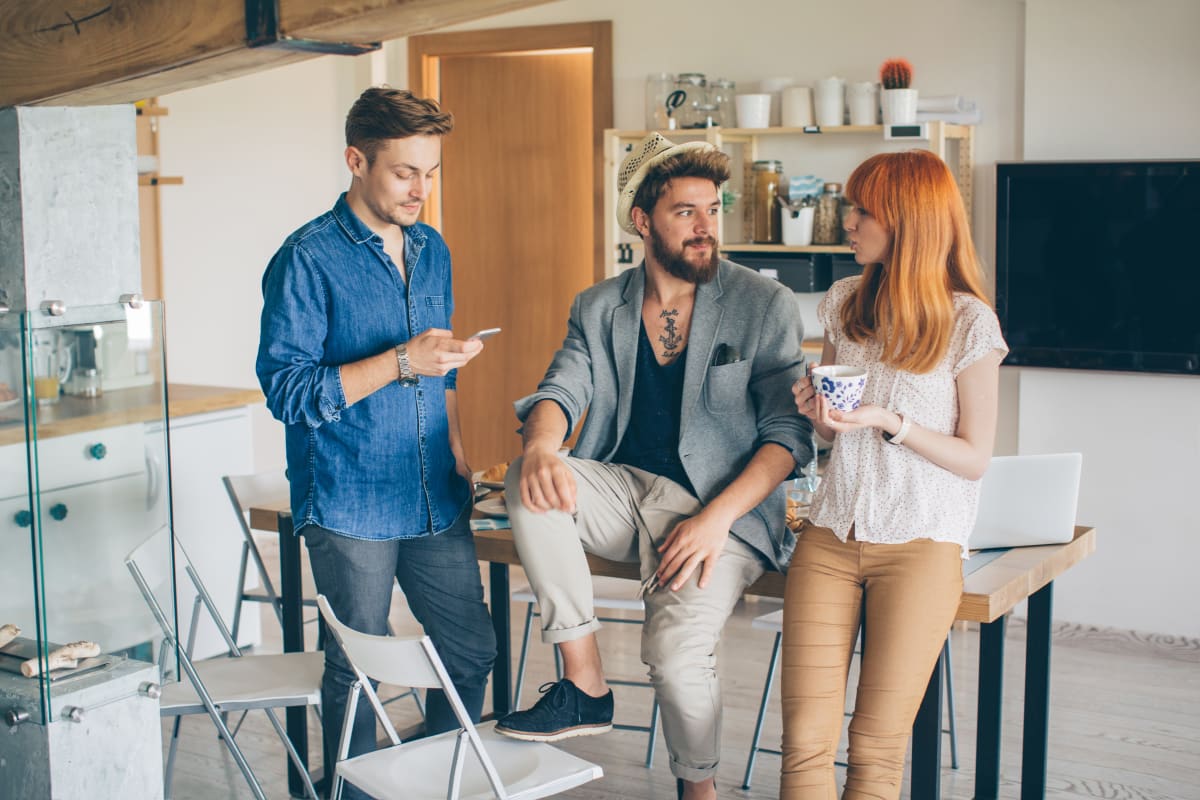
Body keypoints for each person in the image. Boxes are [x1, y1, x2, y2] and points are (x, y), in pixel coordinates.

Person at [493, 133, 813, 800]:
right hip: (619, 487)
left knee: (672, 656)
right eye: (685, 213)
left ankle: (699, 790)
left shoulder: (764, 304)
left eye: (713, 210)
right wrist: (544, 447)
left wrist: (715, 520)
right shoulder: (598, 305)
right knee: (530, 482)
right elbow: (561, 389)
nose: (705, 229)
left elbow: (789, 433)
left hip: (716, 511)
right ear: (642, 221)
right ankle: (583, 682)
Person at [256, 86, 496, 797]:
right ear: (356, 161)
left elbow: (436, 369)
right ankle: (346, 792)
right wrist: (399, 363)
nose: (421, 190)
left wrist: (454, 445)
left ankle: (431, 780)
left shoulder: (431, 248)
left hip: (434, 492)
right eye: (403, 173)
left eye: (431, 172)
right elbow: (288, 393)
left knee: (470, 650)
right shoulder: (306, 258)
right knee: (357, 669)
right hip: (349, 493)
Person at [781, 149, 1008, 799]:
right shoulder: (846, 300)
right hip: (829, 534)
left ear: (906, 218)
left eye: (861, 210)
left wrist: (892, 420)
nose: (847, 222)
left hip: (921, 545)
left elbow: (974, 456)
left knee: (876, 749)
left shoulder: (969, 323)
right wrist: (819, 416)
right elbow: (830, 434)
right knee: (803, 743)